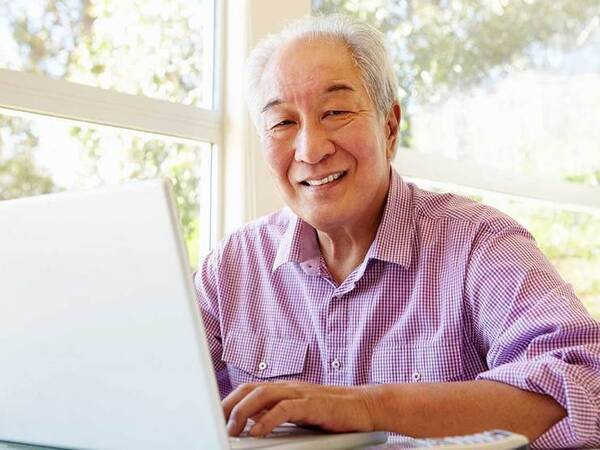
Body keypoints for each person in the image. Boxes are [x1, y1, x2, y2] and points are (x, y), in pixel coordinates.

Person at [194, 14, 600, 448]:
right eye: (283, 123)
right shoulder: (232, 266)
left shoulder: (479, 243)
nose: (310, 149)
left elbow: (582, 385)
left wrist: (364, 407)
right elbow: (160, 398)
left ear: (389, 128)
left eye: (335, 112)